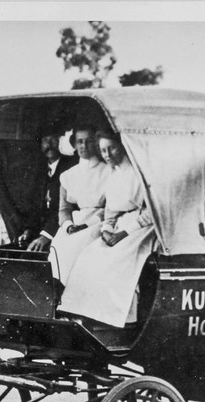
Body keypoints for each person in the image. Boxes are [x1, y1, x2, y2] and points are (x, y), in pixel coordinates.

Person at [58, 130, 157, 328]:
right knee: (90, 255)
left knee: (116, 260)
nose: (107, 155)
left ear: (122, 147)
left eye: (112, 148)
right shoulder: (113, 174)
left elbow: (153, 211)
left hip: (141, 227)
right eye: (103, 150)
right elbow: (110, 210)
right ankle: (88, 314)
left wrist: (123, 233)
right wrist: (106, 229)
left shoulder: (140, 173)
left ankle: (121, 318)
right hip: (119, 225)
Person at [46, 124, 110, 283]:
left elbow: (112, 208)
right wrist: (68, 226)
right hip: (75, 222)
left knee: (83, 249)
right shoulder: (68, 175)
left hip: (101, 221)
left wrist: (88, 224)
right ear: (74, 144)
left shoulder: (109, 171)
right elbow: (64, 209)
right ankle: (60, 291)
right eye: (80, 141)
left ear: (96, 143)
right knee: (59, 249)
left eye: (89, 141)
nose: (84, 146)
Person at [20, 132, 78, 253]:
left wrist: (46, 236)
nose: (49, 145)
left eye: (53, 139)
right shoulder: (39, 170)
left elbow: (68, 208)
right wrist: (28, 231)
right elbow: (34, 206)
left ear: (60, 140)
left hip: (63, 230)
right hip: (41, 232)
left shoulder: (71, 166)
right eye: (45, 140)